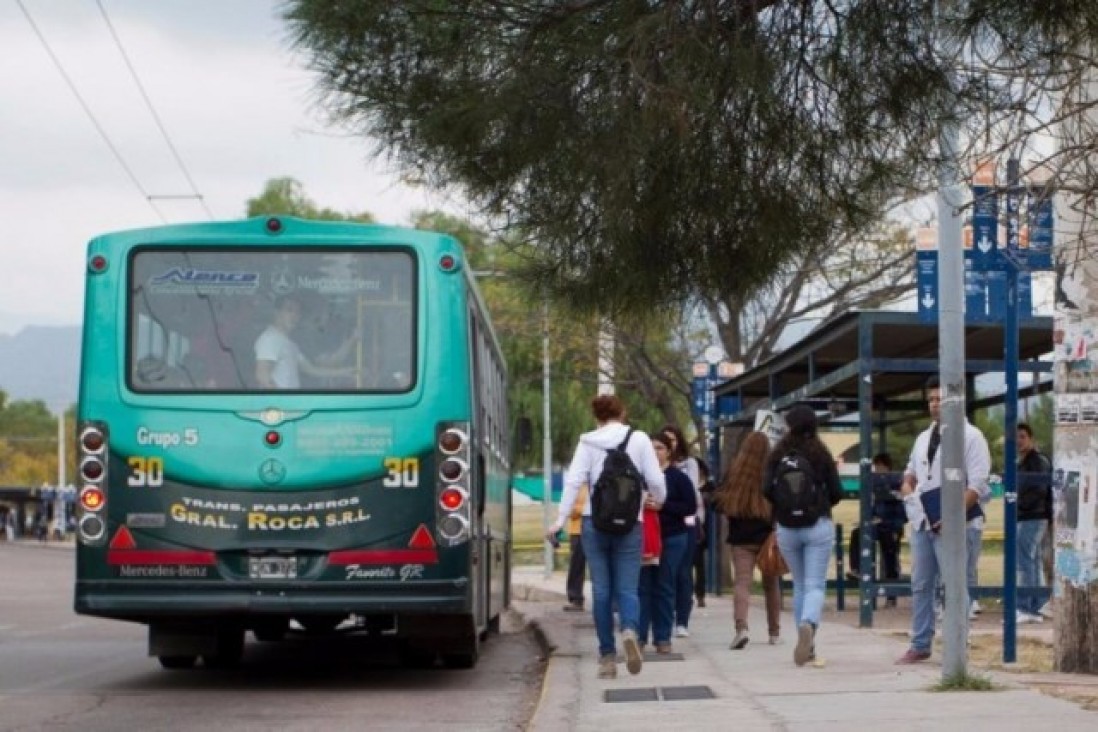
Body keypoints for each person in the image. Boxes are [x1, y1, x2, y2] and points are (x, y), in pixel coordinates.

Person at [548, 395, 666, 680]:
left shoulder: (588, 441)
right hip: (630, 523)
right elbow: (656, 480)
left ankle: (607, 657)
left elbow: (573, 481)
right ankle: (629, 629)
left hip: (593, 522)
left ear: (596, 416)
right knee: (627, 588)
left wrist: (559, 521)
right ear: (622, 412)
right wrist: (657, 500)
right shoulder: (638, 439)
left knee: (601, 591)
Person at [895, 376, 991, 664]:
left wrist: (952, 517)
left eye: (940, 399)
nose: (935, 405)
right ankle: (920, 643)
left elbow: (977, 484)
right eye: (931, 400)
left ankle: (956, 644)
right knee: (921, 583)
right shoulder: (923, 438)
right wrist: (907, 487)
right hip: (924, 521)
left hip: (958, 524)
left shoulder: (971, 437)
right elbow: (911, 471)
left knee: (955, 584)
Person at [763, 405, 843, 667]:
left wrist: (785, 506)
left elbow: (766, 489)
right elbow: (836, 491)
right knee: (815, 585)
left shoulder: (777, 456)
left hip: (786, 527)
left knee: (799, 584)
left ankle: (805, 643)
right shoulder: (820, 454)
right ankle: (809, 623)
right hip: (817, 524)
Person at [716, 431, 782, 649]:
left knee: (742, 583)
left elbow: (717, 502)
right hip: (767, 538)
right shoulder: (773, 474)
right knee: (771, 585)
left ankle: (741, 628)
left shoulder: (735, 474)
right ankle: (774, 632)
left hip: (741, 537)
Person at [639, 432, 697, 655]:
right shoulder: (640, 477)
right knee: (643, 587)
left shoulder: (678, 478)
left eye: (660, 448)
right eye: (651, 448)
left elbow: (689, 508)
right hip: (645, 537)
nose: (655, 452)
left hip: (673, 537)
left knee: (664, 585)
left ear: (669, 451)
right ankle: (640, 636)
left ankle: (662, 637)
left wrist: (664, 507)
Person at [254, 294, 358, 388]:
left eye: (297, 312)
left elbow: (311, 369)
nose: (294, 316)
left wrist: (344, 372)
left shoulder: (290, 344)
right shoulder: (269, 339)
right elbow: (262, 375)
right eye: (289, 310)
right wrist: (280, 400)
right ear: (277, 313)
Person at [660, 424, 703, 638]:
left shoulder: (688, 465)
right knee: (664, 574)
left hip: (685, 524)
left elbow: (692, 494)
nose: (670, 444)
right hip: (663, 526)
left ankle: (682, 619)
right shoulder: (653, 467)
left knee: (683, 573)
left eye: (673, 440)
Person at [847, 453, 906, 607]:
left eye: (880, 466)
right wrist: (870, 519)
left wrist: (894, 526)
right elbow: (871, 510)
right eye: (876, 467)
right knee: (857, 533)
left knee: (890, 556)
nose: (878, 470)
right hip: (877, 526)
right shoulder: (874, 487)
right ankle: (857, 568)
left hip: (891, 526)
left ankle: (891, 594)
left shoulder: (897, 484)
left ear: (887, 467)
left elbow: (902, 512)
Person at [1016, 422, 1052, 623]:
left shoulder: (1037, 461)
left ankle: (1026, 606)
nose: (1019, 441)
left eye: (1022, 436)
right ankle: (1037, 603)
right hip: (1029, 515)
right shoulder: (1022, 462)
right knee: (1033, 558)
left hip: (1033, 516)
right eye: (1016, 438)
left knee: (1025, 560)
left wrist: (1019, 504)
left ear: (1031, 439)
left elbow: (1039, 489)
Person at [692, 458, 716, 608]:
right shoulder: (688, 482)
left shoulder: (709, 486)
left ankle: (700, 594)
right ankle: (689, 592)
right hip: (688, 525)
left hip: (702, 527)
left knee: (699, 563)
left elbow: (714, 503)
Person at [563, 483, 589, 612]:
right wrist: (585, 510)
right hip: (577, 531)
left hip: (597, 530)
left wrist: (581, 510)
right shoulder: (575, 485)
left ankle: (610, 601)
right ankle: (575, 598)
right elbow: (569, 509)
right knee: (576, 566)